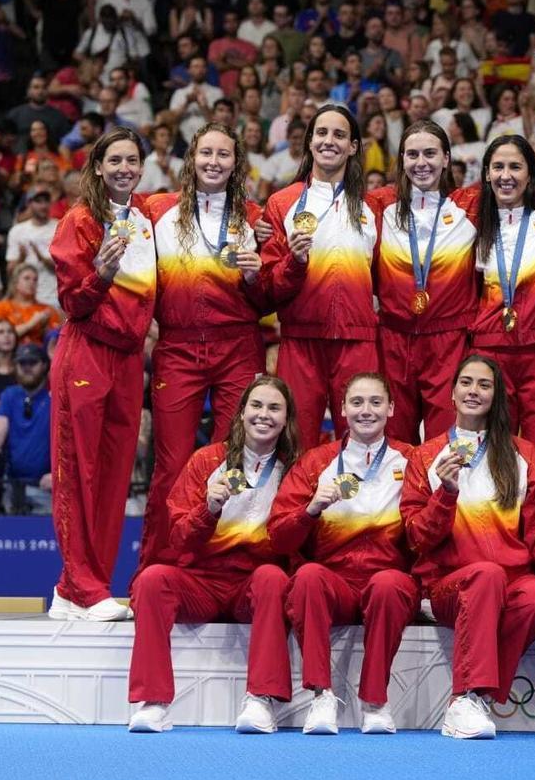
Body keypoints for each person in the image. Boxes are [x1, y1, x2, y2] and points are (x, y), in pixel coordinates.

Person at [128, 376, 298, 734]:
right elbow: (177, 539)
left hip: (252, 586)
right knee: (152, 580)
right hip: (202, 582)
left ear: (286, 420)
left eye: (274, 408)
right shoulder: (206, 461)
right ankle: (153, 702)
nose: (263, 415)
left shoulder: (294, 470)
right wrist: (208, 509)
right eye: (256, 406)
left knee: (273, 577)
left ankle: (260, 699)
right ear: (240, 414)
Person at [399, 355, 535, 739]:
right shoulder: (425, 456)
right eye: (466, 383)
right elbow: (417, 537)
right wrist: (445, 495)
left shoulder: (525, 454)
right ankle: (465, 695)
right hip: (450, 585)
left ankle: (478, 699)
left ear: (496, 395)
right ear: (451, 394)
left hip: (512, 581)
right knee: (486, 575)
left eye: (484, 385)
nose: (474, 391)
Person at [138, 122, 269, 574]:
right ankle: (156, 568)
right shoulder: (158, 211)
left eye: (224, 155)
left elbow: (271, 296)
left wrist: (257, 275)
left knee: (231, 460)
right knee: (171, 465)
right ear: (191, 159)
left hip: (239, 346)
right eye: (206, 153)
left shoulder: (254, 218)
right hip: (178, 347)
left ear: (236, 165)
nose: (214, 162)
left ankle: (221, 569)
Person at [268, 372, 417, 734]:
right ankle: (321, 696)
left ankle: (375, 702)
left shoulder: (412, 460)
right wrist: (310, 511)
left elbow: (429, 528)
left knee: (387, 584)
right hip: (335, 582)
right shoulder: (315, 462)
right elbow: (278, 536)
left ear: (391, 408)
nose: (366, 410)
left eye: (376, 402)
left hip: (389, 579)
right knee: (307, 577)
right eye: (357, 402)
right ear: (342, 410)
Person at [48, 127, 156, 621]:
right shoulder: (80, 221)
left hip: (130, 358)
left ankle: (80, 589)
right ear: (97, 167)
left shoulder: (145, 216)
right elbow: (72, 302)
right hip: (87, 352)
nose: (124, 169)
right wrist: (102, 275)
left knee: (114, 477)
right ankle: (81, 586)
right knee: (79, 471)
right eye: (115, 161)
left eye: (132, 161)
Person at [260, 105, 379, 442]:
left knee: (361, 441)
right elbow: (268, 289)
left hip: (358, 341)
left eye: (340, 134)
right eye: (322, 133)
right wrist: (294, 263)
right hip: (300, 341)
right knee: (296, 444)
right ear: (309, 141)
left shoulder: (373, 207)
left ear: (353, 146)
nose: (330, 141)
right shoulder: (282, 203)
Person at [464, 134, 535, 464]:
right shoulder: (471, 219)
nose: (506, 175)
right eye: (497, 167)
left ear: (531, 173)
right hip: (489, 352)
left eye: (516, 166)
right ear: (486, 173)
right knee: (490, 453)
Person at [365, 121, 476, 444]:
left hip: (449, 341)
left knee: (446, 440)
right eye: (412, 155)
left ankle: (442, 496)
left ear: (446, 158)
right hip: (393, 338)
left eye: (430, 153)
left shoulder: (471, 205)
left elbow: (533, 212)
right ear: (401, 160)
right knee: (395, 437)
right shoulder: (378, 204)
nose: (421, 162)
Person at [0, 344, 53, 514]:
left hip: (48, 486)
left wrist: (59, 474)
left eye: (32, 362)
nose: (27, 367)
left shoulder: (56, 397)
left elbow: (68, 442)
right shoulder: (10, 395)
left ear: (45, 365)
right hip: (14, 486)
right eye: (22, 363)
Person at [0, 264, 61, 345]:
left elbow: (54, 341)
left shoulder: (47, 309)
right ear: (15, 283)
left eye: (35, 280)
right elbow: (0, 336)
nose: (32, 282)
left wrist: (44, 327)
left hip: (38, 353)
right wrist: (32, 323)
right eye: (26, 278)